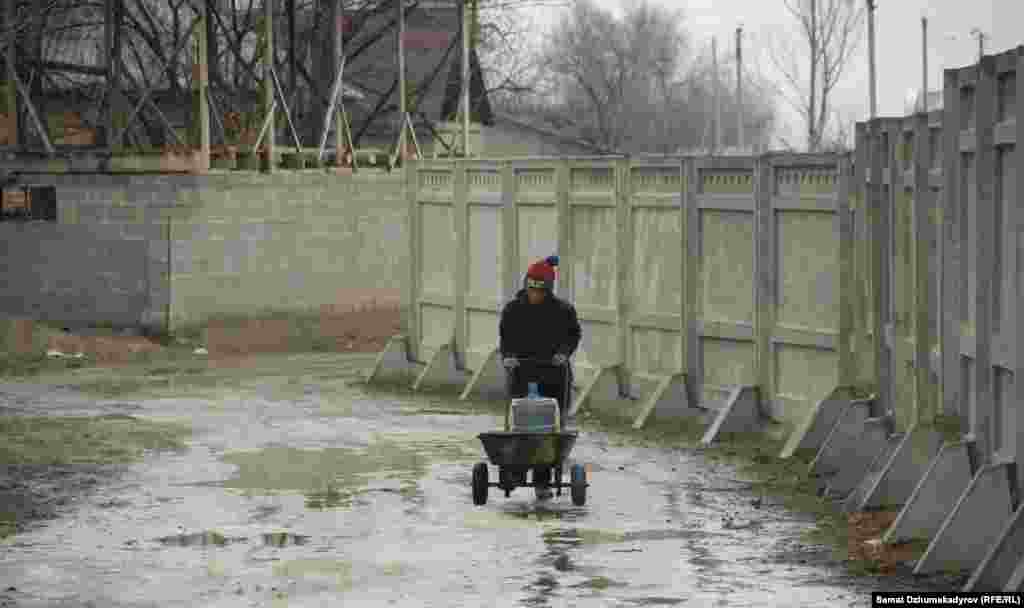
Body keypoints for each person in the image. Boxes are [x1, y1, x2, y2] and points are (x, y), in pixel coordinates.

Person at [498, 255, 582, 500]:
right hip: (522, 374)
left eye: (540, 291)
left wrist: (563, 354)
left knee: (548, 429)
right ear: (526, 285)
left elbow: (573, 336)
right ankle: (515, 471)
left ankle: (542, 481)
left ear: (548, 290)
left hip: (554, 375)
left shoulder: (563, 311)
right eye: (531, 289)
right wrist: (508, 357)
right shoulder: (513, 310)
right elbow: (506, 339)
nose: (534, 295)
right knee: (521, 424)